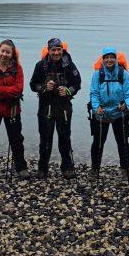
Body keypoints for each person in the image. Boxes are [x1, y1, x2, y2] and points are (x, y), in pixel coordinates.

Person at [29, 38, 81, 179]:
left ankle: (67, 168)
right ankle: (42, 168)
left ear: (62, 49)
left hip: (64, 108)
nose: (56, 52)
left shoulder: (70, 65)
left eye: (59, 49)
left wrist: (68, 91)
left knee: (65, 138)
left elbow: (77, 84)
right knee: (45, 139)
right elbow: (33, 85)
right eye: (53, 50)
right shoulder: (41, 66)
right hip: (46, 108)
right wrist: (44, 87)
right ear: (49, 50)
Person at [0, 39, 30, 179]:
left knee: (16, 139)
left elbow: (18, 90)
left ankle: (21, 167)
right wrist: (7, 91)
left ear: (12, 54)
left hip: (12, 110)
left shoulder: (17, 69)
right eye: (3, 51)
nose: (5, 54)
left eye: (8, 52)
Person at [89, 47, 129, 181]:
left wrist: (127, 105)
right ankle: (95, 169)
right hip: (101, 114)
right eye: (106, 57)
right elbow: (94, 93)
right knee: (98, 142)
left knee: (123, 143)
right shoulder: (97, 74)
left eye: (112, 57)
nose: (109, 60)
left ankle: (125, 170)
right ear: (102, 59)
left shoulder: (123, 73)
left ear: (116, 59)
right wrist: (96, 107)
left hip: (119, 113)